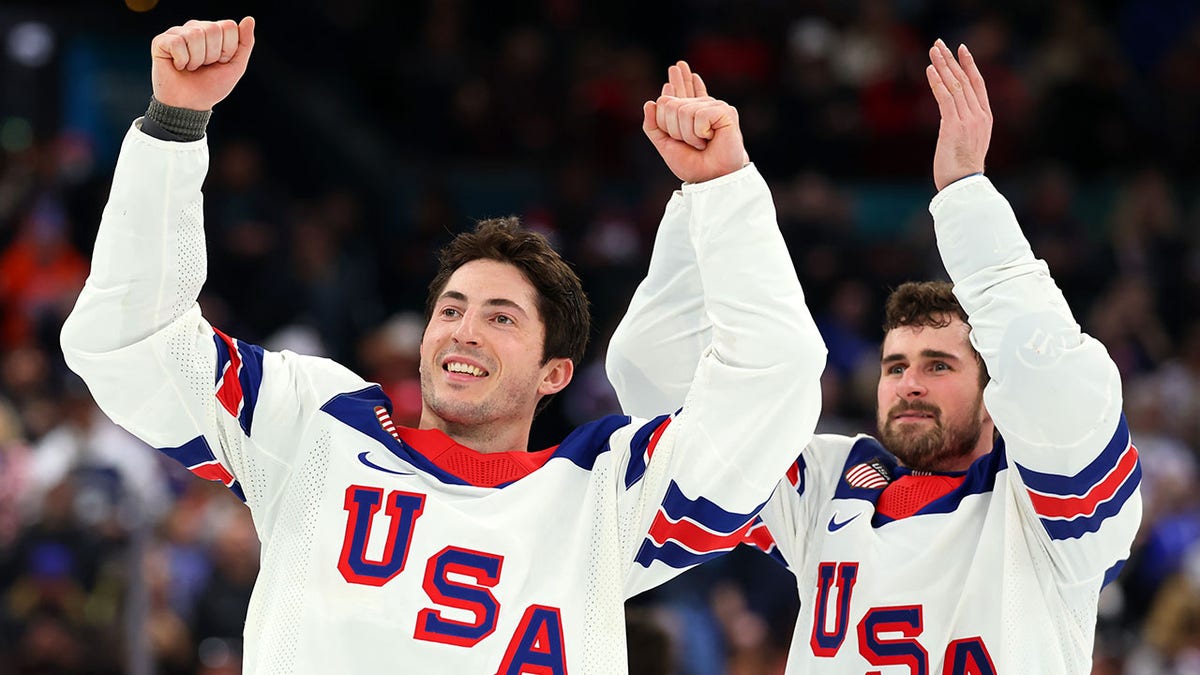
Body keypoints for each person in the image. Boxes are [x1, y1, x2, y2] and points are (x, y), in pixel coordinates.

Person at [59, 17, 827, 674]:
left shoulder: (605, 499)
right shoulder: (314, 426)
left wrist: (723, 187)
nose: (463, 329)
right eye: (452, 308)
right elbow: (130, 341)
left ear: (555, 371)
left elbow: (775, 380)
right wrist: (174, 124)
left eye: (501, 317)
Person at [605, 41, 1141, 673]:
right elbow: (661, 382)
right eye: (895, 366)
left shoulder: (1050, 517)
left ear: (997, 395)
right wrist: (711, 194)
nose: (909, 383)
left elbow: (1049, 373)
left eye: (939, 365)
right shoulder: (833, 486)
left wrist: (966, 193)